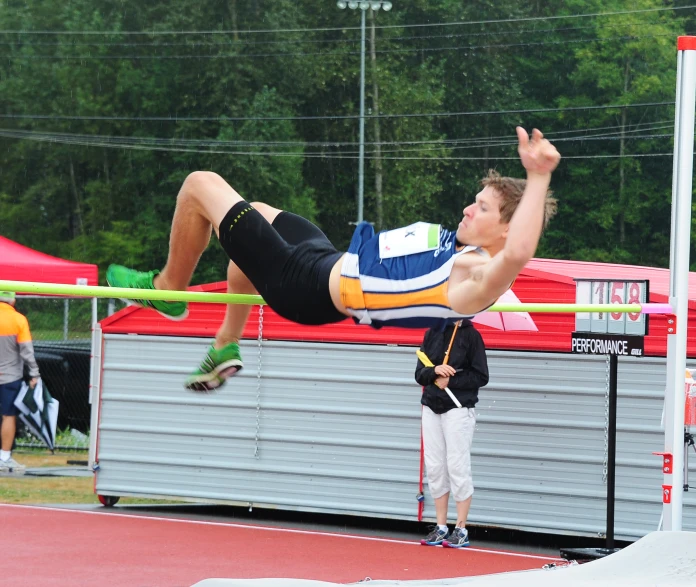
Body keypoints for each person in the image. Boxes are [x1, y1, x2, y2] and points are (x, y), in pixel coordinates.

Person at [106, 127, 559, 391]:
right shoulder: (456, 249)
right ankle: (226, 343)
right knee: (254, 225)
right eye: (474, 200)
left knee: (198, 185)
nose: (467, 208)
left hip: (303, 284)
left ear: (505, 230)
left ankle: (168, 290)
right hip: (324, 258)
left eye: (481, 208)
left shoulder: (475, 277)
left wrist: (537, 177)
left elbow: (518, 253)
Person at [415, 319, 489, 548]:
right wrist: (434, 371)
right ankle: (440, 526)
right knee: (435, 466)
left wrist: (452, 380)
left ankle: (461, 527)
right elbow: (419, 373)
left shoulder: (472, 336)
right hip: (431, 407)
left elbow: (481, 376)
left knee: (457, 465)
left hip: (458, 409)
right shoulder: (431, 332)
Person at [0, 291, 39, 475]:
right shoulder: (18, 319)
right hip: (10, 376)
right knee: (9, 415)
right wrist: (34, 373)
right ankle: (4, 456)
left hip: (9, 375)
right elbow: (26, 350)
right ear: (13, 299)